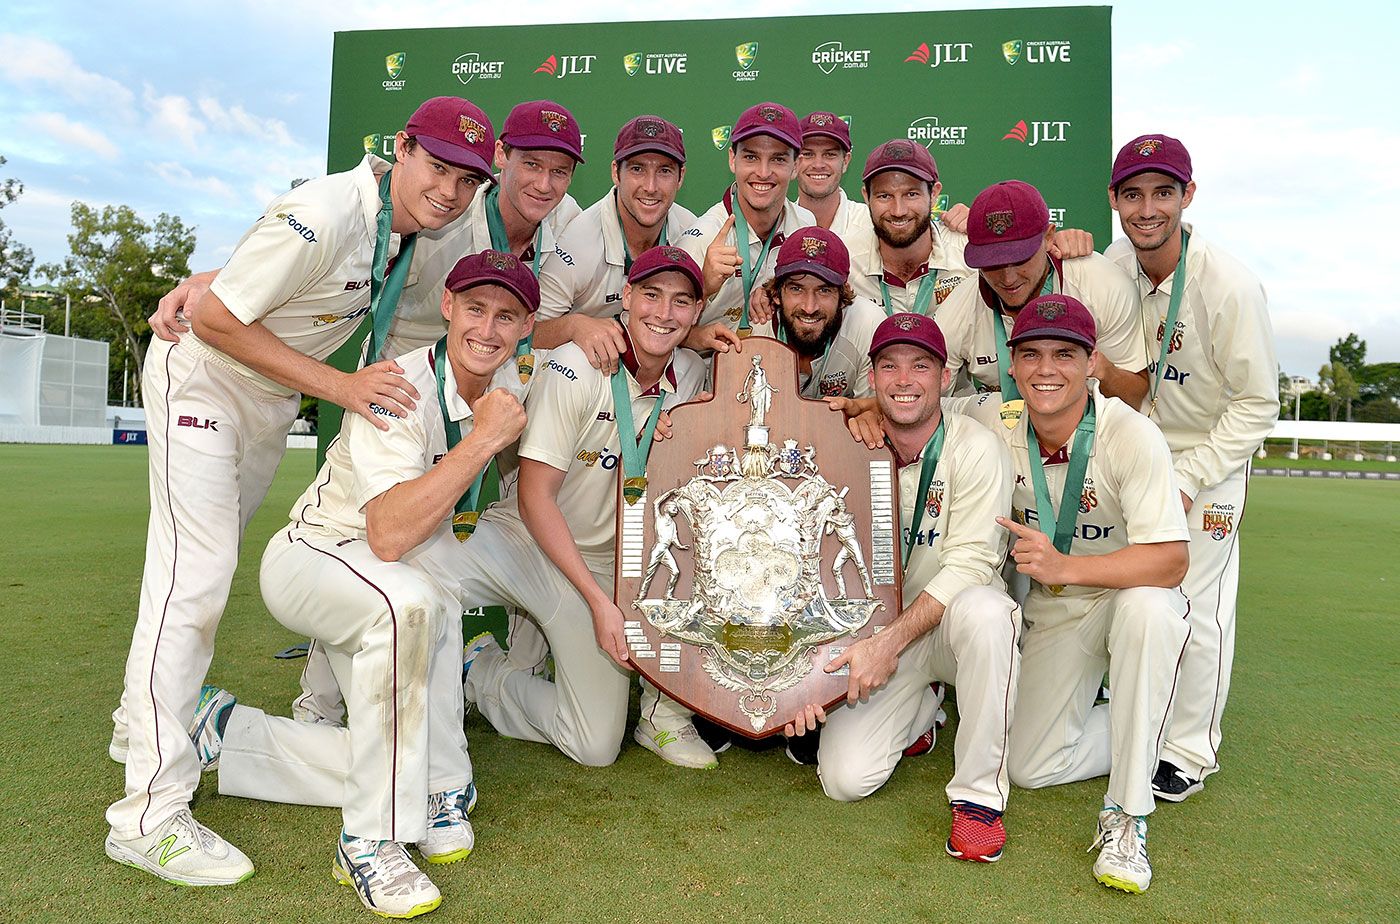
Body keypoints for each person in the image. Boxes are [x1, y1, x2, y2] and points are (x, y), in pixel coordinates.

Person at [103, 96, 497, 886]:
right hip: (206, 384)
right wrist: (341, 387)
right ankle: (146, 814)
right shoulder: (328, 208)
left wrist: (222, 274)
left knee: (196, 580)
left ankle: (142, 724)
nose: (451, 192)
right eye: (438, 169)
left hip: (265, 404)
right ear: (402, 149)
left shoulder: (406, 232)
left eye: (467, 181)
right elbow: (215, 322)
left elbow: (260, 285)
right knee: (194, 585)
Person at [190, 251, 536, 917]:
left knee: (431, 597)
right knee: (410, 600)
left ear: (525, 327)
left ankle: (231, 732)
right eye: (475, 308)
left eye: (506, 315)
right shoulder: (401, 385)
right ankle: (371, 839)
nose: (487, 329)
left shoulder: (511, 382)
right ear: (448, 307)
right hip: (313, 557)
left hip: (377, 570)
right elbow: (388, 535)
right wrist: (483, 442)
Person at [425, 246, 718, 771]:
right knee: (400, 567)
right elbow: (536, 498)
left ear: (697, 312)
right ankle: (332, 704)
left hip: (607, 564)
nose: (663, 313)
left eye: (680, 302)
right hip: (525, 538)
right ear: (625, 297)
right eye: (650, 295)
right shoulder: (575, 366)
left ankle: (485, 672)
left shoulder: (694, 378)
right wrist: (599, 604)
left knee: (595, 745)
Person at [787, 312, 1020, 863]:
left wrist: (887, 644)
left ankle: (979, 801)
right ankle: (922, 708)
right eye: (889, 366)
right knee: (844, 779)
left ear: (944, 377)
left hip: (948, 629)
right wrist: (794, 682)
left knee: (990, 611)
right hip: (874, 633)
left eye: (921, 365)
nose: (905, 379)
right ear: (872, 379)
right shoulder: (847, 442)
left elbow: (971, 563)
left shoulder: (978, 447)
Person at [995, 294, 1190, 894]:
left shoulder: (1131, 435)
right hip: (1056, 611)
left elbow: (1172, 560)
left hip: (1126, 594)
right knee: (1029, 767)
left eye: (1064, 354)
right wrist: (869, 403)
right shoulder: (997, 423)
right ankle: (1151, 713)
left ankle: (1127, 817)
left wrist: (1064, 565)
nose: (1046, 369)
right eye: (1031, 354)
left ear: (1092, 362)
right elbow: (922, 410)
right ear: (1012, 363)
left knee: (1148, 609)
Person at [1106, 134, 1278, 801]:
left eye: (1162, 193)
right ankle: (1135, 719)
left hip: (1208, 459)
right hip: (1137, 455)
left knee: (1195, 604)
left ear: (1188, 196)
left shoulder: (1227, 284)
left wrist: (1188, 474)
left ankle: (1188, 751)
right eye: (1132, 194)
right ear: (1116, 201)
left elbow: (1257, 403)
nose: (1147, 209)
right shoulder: (1117, 264)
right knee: (1133, 597)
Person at [937, 180, 1150, 409]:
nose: (1008, 278)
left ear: (1048, 237)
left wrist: (1102, 370)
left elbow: (1135, 398)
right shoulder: (956, 311)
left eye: (1020, 259)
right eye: (992, 263)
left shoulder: (1103, 284)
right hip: (1004, 433)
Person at [533, 115, 696, 372]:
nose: (650, 187)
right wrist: (573, 326)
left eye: (664, 171)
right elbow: (527, 331)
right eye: (637, 169)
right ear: (615, 173)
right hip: (581, 372)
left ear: (681, 177)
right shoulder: (577, 243)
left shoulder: (691, 232)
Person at [679, 102, 815, 337]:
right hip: (708, 364)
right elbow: (659, 330)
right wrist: (705, 286)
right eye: (751, 157)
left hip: (771, 360)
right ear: (733, 159)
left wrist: (777, 290)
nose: (763, 172)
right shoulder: (703, 238)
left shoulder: (805, 224)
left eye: (778, 159)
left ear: (797, 166)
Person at [749, 225, 884, 399]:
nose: (809, 307)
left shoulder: (868, 324)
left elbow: (869, 414)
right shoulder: (755, 330)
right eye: (797, 289)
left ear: (843, 296)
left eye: (824, 290)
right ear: (776, 294)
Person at [847, 139, 972, 316]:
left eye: (911, 194)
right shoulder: (845, 264)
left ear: (934, 193)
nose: (898, 211)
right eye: (884, 196)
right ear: (867, 197)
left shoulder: (968, 256)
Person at [794, 111, 870, 240]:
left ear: (846, 161)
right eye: (808, 154)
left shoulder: (871, 224)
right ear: (794, 161)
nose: (818, 165)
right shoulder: (775, 225)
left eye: (829, 154)